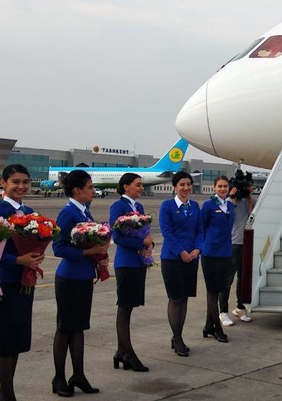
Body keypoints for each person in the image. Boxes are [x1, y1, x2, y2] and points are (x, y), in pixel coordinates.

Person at [52, 170, 109, 397]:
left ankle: (78, 375)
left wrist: (99, 255)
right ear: (77, 190)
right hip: (69, 278)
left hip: (83, 276)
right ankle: (58, 377)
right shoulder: (67, 214)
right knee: (65, 328)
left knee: (79, 328)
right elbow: (59, 248)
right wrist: (89, 252)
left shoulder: (85, 211)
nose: (93, 191)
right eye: (90, 187)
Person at [0, 165, 45, 401]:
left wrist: (37, 254)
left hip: (24, 281)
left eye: (25, 182)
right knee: (6, 341)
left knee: (17, 339)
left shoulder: (29, 211)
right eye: (15, 182)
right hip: (5, 282)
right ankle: (8, 394)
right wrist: (18, 259)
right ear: (3, 183)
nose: (21, 187)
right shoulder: (0, 210)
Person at [109, 173, 154, 372]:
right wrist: (140, 243)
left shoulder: (139, 207)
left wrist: (149, 244)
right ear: (126, 187)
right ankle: (129, 354)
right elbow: (117, 237)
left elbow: (145, 233)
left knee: (130, 306)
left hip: (138, 261)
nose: (141, 187)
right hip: (126, 262)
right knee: (124, 307)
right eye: (138, 185)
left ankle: (121, 352)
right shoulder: (118, 207)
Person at [159, 171, 203, 357]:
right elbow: (167, 232)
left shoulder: (195, 206)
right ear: (174, 187)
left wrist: (197, 250)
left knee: (184, 298)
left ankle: (178, 335)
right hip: (172, 258)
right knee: (175, 298)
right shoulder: (167, 206)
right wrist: (181, 252)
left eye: (188, 184)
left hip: (191, 258)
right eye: (182, 185)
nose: (186, 188)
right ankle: (177, 339)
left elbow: (200, 230)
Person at [200, 176, 234, 342]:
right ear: (214, 187)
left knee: (218, 289)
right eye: (219, 186)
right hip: (210, 253)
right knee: (212, 291)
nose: (222, 189)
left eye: (225, 186)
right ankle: (217, 329)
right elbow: (201, 227)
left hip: (225, 252)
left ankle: (208, 326)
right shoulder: (208, 205)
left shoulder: (229, 205)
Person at [219, 184, 254, 326]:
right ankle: (223, 311)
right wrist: (232, 198)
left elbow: (253, 214)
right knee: (228, 279)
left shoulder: (247, 201)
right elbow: (225, 216)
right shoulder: (225, 202)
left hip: (246, 243)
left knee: (243, 278)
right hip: (232, 244)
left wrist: (248, 196)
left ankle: (240, 307)